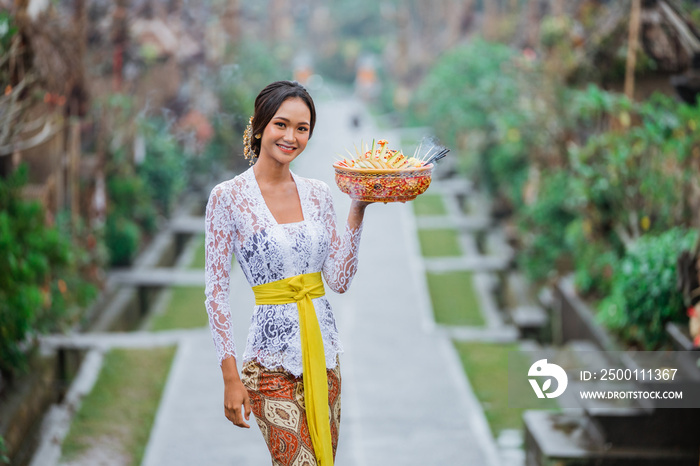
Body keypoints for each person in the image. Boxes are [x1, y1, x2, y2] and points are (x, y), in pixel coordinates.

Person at [204, 80, 370, 465]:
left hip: (325, 358)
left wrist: (358, 207)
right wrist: (230, 378)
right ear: (260, 125)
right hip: (268, 364)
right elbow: (215, 292)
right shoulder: (228, 197)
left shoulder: (318, 194)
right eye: (282, 124)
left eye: (302, 128)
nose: (291, 137)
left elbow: (339, 280)